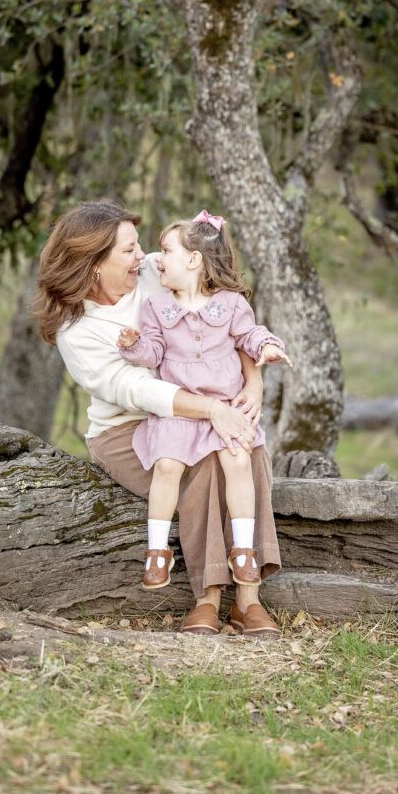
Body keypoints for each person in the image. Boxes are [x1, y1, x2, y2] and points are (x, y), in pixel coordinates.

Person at [36, 200, 282, 637]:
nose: (143, 256)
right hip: (126, 427)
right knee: (202, 468)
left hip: (203, 407)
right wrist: (213, 409)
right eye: (128, 250)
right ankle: (208, 596)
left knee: (246, 446)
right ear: (94, 264)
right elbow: (139, 390)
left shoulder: (155, 270)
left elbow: (223, 316)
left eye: (140, 246)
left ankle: (248, 599)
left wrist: (252, 382)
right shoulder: (78, 330)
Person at [116, 210, 291, 594]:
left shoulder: (229, 304)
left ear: (194, 260)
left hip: (225, 408)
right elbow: (154, 351)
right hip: (180, 414)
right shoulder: (157, 307)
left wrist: (268, 346)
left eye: (166, 250)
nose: (156, 259)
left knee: (238, 460)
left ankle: (243, 549)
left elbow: (249, 334)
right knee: (166, 466)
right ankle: (157, 551)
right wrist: (134, 345)